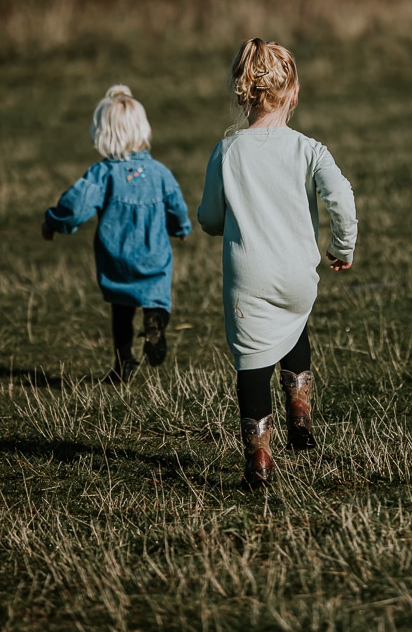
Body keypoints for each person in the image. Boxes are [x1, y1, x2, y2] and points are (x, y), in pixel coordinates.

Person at [198, 38, 358, 488]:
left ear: (242, 93)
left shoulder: (226, 152)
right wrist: (342, 246)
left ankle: (260, 461)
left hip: (248, 279)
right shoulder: (309, 148)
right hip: (297, 276)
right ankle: (301, 407)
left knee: (252, 365)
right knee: (294, 324)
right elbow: (341, 197)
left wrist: (219, 223)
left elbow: (210, 217)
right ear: (292, 93)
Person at [42, 84, 191, 383]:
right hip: (154, 257)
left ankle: (123, 363)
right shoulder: (160, 173)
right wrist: (180, 229)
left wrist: (54, 222)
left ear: (103, 133)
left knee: (121, 311)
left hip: (117, 257)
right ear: (142, 129)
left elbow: (74, 206)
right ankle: (155, 322)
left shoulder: (102, 173)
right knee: (157, 300)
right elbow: (176, 206)